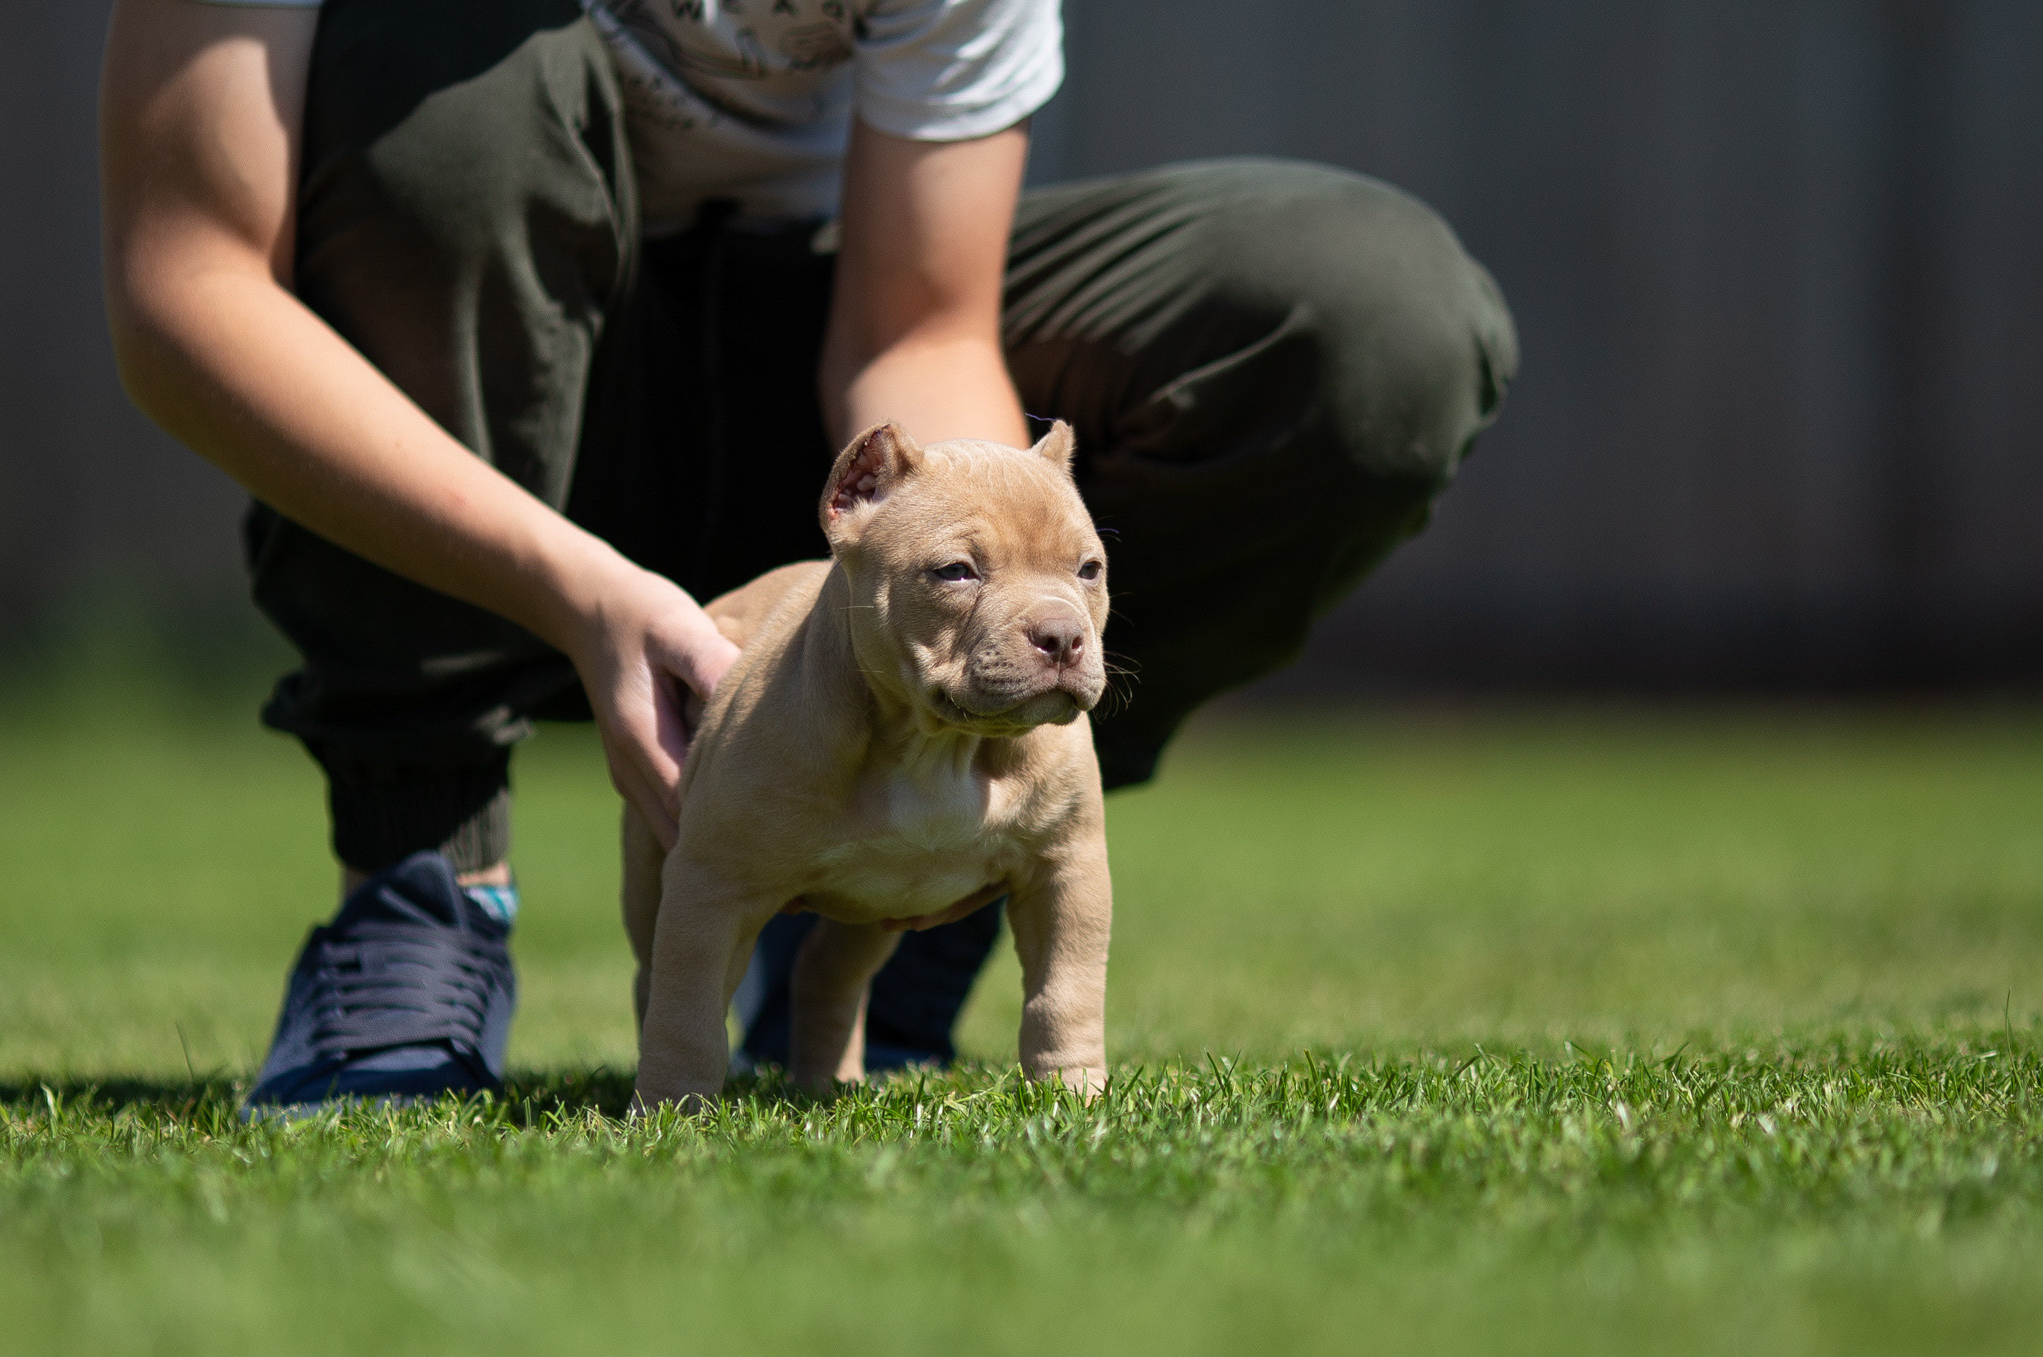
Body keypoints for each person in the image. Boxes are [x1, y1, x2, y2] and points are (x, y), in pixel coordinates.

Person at [100, 0, 1518, 1112]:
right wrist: (575, 586)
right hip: (481, 386)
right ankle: (422, 878)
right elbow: (185, 283)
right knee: (444, 67)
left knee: (1370, 315)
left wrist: (960, 586)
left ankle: (904, 885)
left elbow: (916, 320)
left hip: (838, 395)